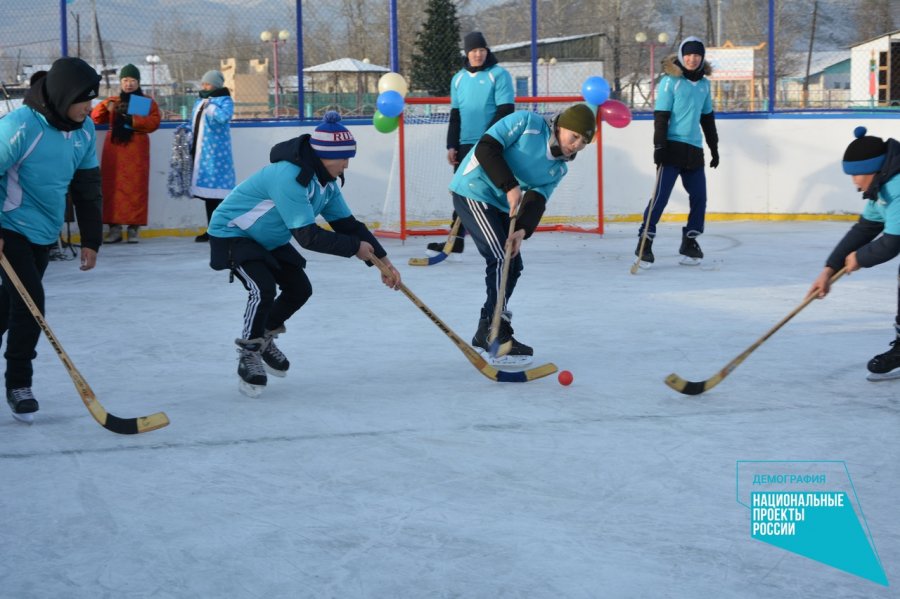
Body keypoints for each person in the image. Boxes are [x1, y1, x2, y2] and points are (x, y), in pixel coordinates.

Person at [207, 111, 402, 397]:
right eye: (344, 158)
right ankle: (250, 350)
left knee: (299, 288)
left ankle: (265, 335)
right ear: (324, 155)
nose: (347, 164)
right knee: (263, 288)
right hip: (234, 233)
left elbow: (348, 225)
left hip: (269, 238)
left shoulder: (326, 184)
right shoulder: (289, 176)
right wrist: (355, 249)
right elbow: (307, 237)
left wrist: (384, 263)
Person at [449, 103, 595, 364]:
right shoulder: (527, 123)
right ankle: (493, 331)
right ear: (560, 126)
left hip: (500, 204)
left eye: (583, 143)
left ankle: (489, 326)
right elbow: (486, 148)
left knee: (513, 263)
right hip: (472, 188)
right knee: (499, 256)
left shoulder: (558, 169)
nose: (576, 145)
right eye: (574, 137)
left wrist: (522, 231)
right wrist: (510, 185)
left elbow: (537, 199)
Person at [0, 57, 103, 421]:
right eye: (82, 99)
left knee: (7, 307)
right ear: (62, 96)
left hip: (44, 231)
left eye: (91, 99)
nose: (88, 107)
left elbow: (87, 186)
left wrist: (92, 238)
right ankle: (19, 384)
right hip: (7, 226)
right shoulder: (20, 126)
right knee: (31, 303)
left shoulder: (84, 130)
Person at [809, 126, 900, 380]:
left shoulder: (897, 186)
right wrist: (830, 268)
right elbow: (866, 229)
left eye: (856, 175)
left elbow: (893, 242)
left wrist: (860, 258)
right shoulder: (881, 186)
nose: (854, 182)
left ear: (873, 169)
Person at [425, 31, 514, 257]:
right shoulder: (458, 79)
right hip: (465, 145)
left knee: (493, 191)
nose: (478, 55)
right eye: (473, 51)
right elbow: (455, 115)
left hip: (492, 144)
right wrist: (451, 145)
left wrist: (488, 139)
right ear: (467, 53)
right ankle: (455, 241)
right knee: (461, 192)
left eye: (482, 50)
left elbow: (505, 110)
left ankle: (501, 236)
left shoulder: (499, 75)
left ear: (487, 51)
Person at [636, 36, 719, 266]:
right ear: (682, 56)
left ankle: (690, 242)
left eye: (697, 55)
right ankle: (645, 241)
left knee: (700, 197)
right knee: (661, 197)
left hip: (694, 149)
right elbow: (661, 116)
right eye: (689, 54)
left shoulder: (704, 84)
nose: (693, 59)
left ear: (702, 58)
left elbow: (707, 118)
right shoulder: (670, 81)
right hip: (671, 148)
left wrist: (714, 148)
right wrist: (659, 146)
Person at [91, 64, 161, 244]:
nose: (128, 84)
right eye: (125, 80)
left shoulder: (146, 101)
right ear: (120, 82)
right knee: (111, 187)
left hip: (136, 150)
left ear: (138, 82)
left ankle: (133, 228)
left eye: (132, 80)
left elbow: (153, 123)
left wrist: (132, 119)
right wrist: (106, 106)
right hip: (114, 150)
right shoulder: (113, 100)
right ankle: (114, 229)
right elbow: (95, 117)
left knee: (136, 187)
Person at [189, 69, 235, 242]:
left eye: (207, 83)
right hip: (202, 154)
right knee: (208, 196)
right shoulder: (200, 100)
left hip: (216, 155)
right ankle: (212, 230)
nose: (204, 86)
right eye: (203, 83)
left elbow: (224, 117)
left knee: (218, 195)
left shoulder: (224, 100)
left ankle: (220, 230)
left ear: (215, 84)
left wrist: (212, 108)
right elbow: (193, 122)